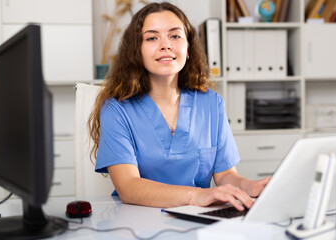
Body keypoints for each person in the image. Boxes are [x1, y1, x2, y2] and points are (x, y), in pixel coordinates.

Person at [88, 2, 271, 210]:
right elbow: (129, 187)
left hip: (198, 219)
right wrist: (196, 195)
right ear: (136, 50)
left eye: (175, 36)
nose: (166, 45)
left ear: (189, 47)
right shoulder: (116, 109)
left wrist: (249, 186)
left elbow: (226, 175)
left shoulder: (212, 103)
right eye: (152, 38)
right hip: (136, 221)